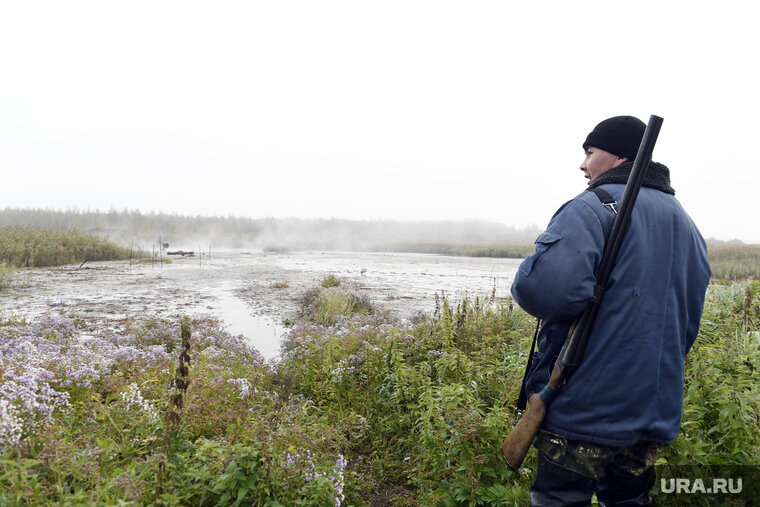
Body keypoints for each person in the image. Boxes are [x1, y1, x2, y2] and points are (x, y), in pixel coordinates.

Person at [510, 116, 711, 506]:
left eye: (589, 152)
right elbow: (687, 324)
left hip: (585, 408)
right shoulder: (687, 224)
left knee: (559, 498)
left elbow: (544, 290)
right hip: (652, 412)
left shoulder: (593, 207)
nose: (583, 165)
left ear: (620, 157)